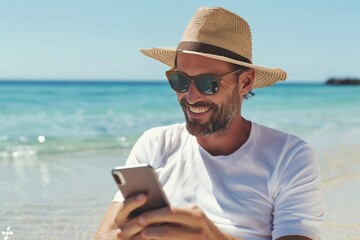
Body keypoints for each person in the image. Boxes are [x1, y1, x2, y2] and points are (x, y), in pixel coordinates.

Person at [95, 6, 324, 240]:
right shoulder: (156, 144)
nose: (191, 97)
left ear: (245, 82)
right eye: (180, 80)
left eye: (208, 83)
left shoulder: (289, 157)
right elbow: (103, 235)